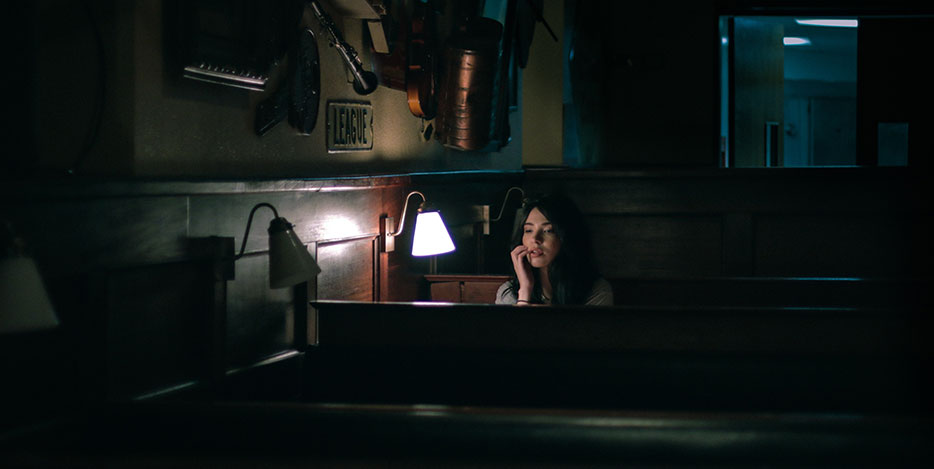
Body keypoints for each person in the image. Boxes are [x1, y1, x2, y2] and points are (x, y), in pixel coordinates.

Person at [495, 193, 613, 306]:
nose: (535, 239)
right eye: (528, 230)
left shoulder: (596, 290)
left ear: (566, 237)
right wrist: (525, 291)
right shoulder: (509, 293)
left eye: (548, 231)